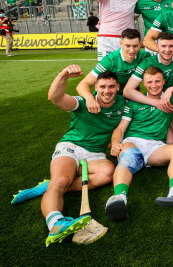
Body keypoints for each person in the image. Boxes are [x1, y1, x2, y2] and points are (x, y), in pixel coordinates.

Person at [42, 66, 125, 246]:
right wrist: (62, 75)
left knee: (108, 172)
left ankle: (50, 188)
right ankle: (55, 223)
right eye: (102, 87)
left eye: (111, 87)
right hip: (71, 147)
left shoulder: (122, 105)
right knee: (62, 180)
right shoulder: (83, 102)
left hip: (94, 154)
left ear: (118, 88)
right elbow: (55, 98)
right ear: (95, 87)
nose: (107, 91)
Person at [105, 64, 173, 221]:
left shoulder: (170, 100)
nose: (153, 85)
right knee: (129, 155)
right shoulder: (134, 102)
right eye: (149, 82)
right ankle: (119, 198)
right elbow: (121, 129)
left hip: (156, 146)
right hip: (133, 141)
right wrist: (115, 143)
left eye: (157, 81)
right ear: (143, 83)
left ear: (163, 82)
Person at [123, 32, 173, 144]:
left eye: (171, 46)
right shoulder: (147, 62)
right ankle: (170, 119)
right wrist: (156, 102)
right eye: (163, 46)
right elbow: (127, 91)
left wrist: (170, 90)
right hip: (157, 102)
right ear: (157, 47)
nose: (167, 50)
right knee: (170, 142)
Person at [72, 0, 144, 61]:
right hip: (107, 38)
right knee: (106, 73)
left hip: (127, 40)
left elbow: (137, 12)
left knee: (127, 72)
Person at [76, 29, 150, 103]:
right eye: (128, 46)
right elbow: (83, 84)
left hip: (130, 98)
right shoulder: (110, 61)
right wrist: (90, 99)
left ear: (140, 44)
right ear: (121, 44)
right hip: (110, 99)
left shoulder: (145, 57)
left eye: (135, 46)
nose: (132, 50)